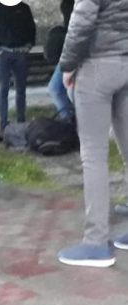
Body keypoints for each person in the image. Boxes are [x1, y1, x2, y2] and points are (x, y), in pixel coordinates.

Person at [56, 0, 128, 268]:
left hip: (97, 67)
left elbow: (82, 21)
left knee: (94, 155)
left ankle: (96, 242)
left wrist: (67, 66)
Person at [0, 0, 36, 142]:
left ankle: (21, 124)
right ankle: (4, 126)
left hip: (20, 53)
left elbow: (32, 29)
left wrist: (29, 45)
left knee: (21, 90)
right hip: (3, 54)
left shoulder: (24, 8)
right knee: (3, 89)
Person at [46, 0, 75, 119]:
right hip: (71, 47)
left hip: (80, 48)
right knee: (57, 89)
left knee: (56, 88)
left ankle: (71, 122)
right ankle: (70, 121)